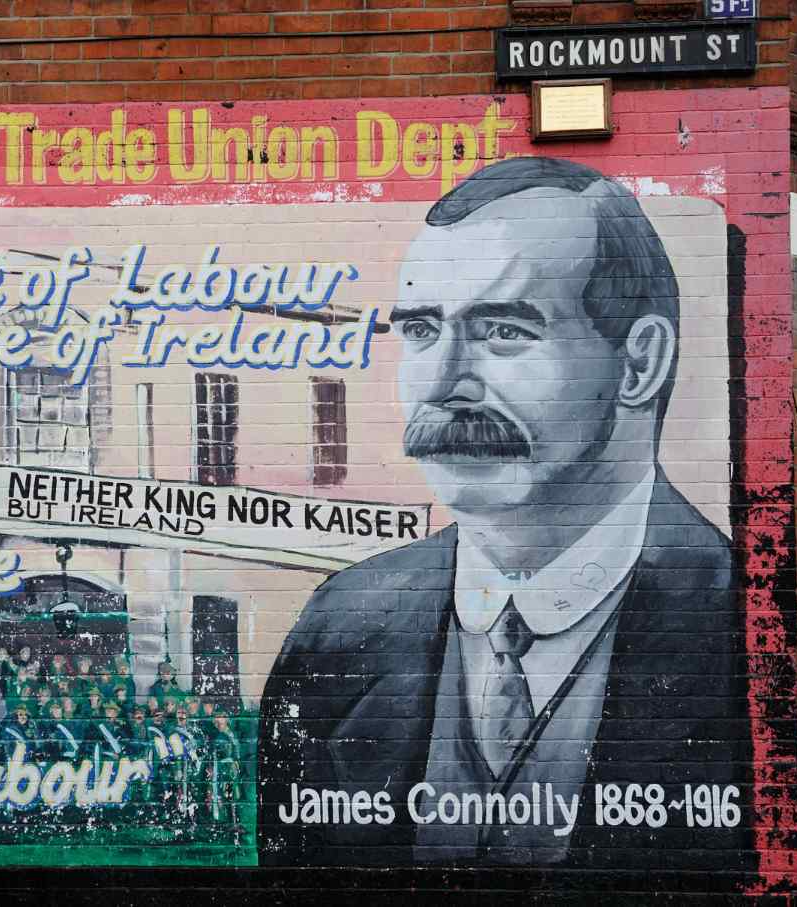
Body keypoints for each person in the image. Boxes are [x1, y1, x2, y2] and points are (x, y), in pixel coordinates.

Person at [257, 157, 753, 874]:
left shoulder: (742, 630)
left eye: (504, 331)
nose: (441, 381)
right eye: (422, 331)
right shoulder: (337, 632)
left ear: (638, 363)